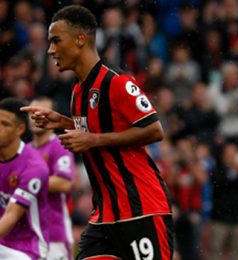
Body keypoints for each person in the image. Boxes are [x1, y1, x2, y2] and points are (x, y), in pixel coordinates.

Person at [21, 5, 173, 260]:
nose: (50, 50)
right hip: (104, 217)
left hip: (141, 209)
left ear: (80, 39)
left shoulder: (117, 81)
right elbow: (98, 128)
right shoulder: (78, 92)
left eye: (56, 40)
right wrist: (63, 122)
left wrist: (92, 140)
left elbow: (154, 130)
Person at [0, 97, 49, 260]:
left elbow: (11, 215)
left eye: (4, 124)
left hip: (27, 248)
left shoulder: (33, 166)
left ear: (20, 129)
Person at [28, 96, 74, 260]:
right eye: (32, 113)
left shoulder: (60, 145)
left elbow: (64, 183)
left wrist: (26, 183)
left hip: (54, 234)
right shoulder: (25, 151)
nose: (36, 117)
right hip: (28, 236)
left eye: (42, 112)